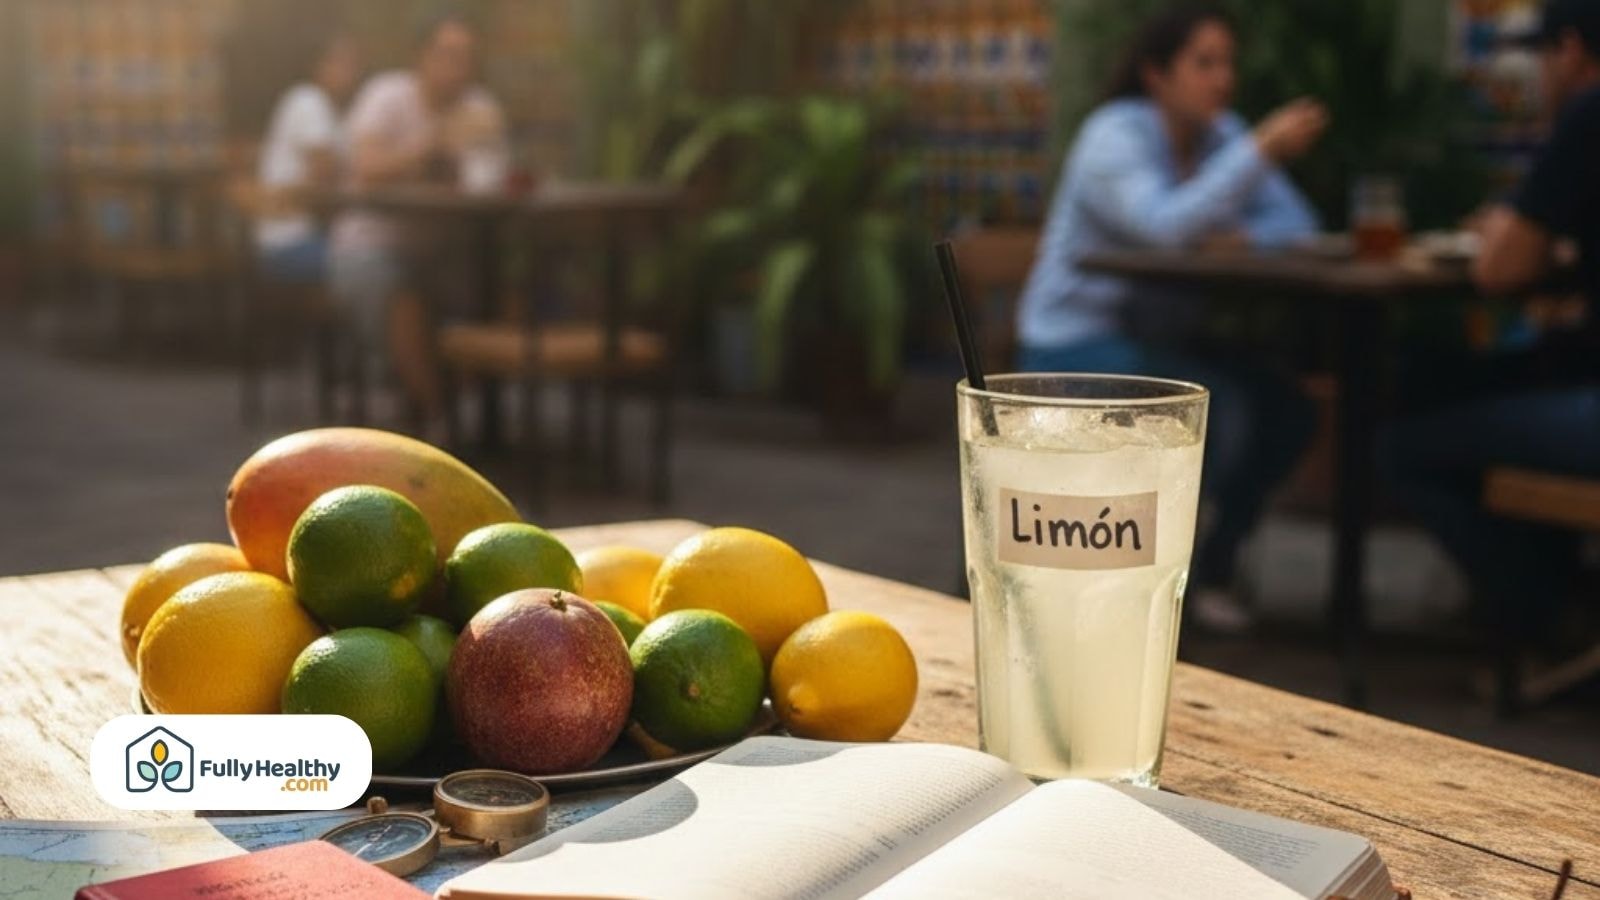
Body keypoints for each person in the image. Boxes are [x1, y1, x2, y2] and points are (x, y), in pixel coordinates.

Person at [1014, 4, 1328, 632]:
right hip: (1072, 342)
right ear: (1157, 74)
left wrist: (1232, 234)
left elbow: (1298, 226)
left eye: (1228, 64)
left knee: (1289, 408)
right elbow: (1162, 225)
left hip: (1156, 343)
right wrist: (1260, 151)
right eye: (1204, 63)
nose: (1222, 80)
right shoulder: (1116, 134)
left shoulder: (1218, 137)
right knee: (1223, 411)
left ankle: (1207, 567)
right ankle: (1135, 590)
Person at [1381, 0, 1600, 655]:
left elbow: (1500, 270)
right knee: (1475, 386)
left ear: (1568, 50)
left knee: (1402, 442)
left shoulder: (1590, 113)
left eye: (1537, 56)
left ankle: (1543, 615)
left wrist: (1507, 234)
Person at [328, 12, 508, 438]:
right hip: (371, 242)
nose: (456, 67)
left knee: (500, 294)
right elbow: (363, 167)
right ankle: (438, 419)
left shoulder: (479, 107)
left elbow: (493, 176)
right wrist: (430, 146)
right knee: (401, 297)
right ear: (420, 57)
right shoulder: (387, 95)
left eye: (465, 57)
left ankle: (460, 412)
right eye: (446, 54)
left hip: (447, 246)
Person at [255, 35, 362, 284]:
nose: (349, 71)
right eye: (340, 62)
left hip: (315, 238)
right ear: (319, 67)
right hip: (288, 243)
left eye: (354, 63)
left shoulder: (337, 114)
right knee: (370, 263)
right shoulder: (307, 100)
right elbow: (325, 179)